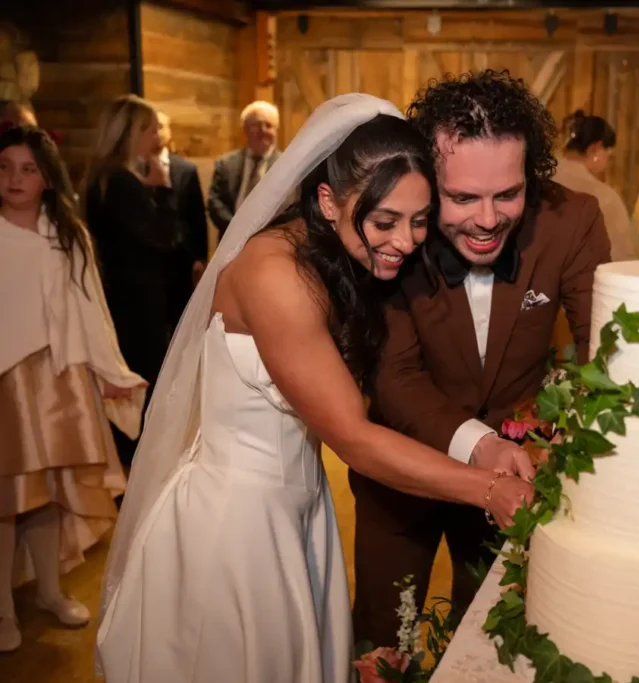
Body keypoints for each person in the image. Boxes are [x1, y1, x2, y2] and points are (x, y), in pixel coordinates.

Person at [95, 94, 533, 683]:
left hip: (297, 504)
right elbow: (352, 435)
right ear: (328, 200)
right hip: (237, 528)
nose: (405, 241)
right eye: (384, 221)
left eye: (419, 219)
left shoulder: (333, 254)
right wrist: (487, 489)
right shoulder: (275, 274)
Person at [351, 70, 612, 647]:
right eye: (463, 198)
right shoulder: (396, 228)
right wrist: (483, 446)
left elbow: (602, 352)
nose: (489, 220)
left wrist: (558, 435)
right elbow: (393, 375)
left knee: (487, 642)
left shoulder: (574, 222)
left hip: (515, 477)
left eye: (508, 194)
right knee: (384, 642)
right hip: (402, 477)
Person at [0, 125, 145, 652]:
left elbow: (91, 311)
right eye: (5, 166)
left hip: (59, 381)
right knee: (7, 499)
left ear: (46, 178)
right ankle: (1, 610)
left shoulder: (68, 234)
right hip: (7, 386)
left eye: (28, 168)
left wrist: (109, 372)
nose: (15, 178)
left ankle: (48, 589)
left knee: (47, 496)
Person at [81, 94, 178, 469]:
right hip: (138, 304)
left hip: (120, 298)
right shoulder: (122, 183)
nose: (157, 136)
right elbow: (163, 239)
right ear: (131, 133)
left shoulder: (101, 179)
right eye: (150, 128)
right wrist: (163, 189)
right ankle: (141, 471)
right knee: (144, 385)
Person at [553, 110, 635, 261]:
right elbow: (621, 258)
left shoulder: (536, 176)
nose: (607, 163)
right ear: (596, 148)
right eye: (608, 156)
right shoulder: (604, 197)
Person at [155, 110, 208, 332]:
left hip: (181, 257)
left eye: (161, 127)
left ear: (168, 132)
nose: (157, 133)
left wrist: (200, 256)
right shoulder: (134, 169)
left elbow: (196, 214)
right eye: (152, 128)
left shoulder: (185, 169)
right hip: (153, 259)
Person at [207, 100, 282, 238]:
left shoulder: (287, 166)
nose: (263, 130)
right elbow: (215, 203)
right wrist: (237, 231)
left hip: (270, 243)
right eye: (257, 125)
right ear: (245, 129)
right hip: (230, 241)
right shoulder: (226, 164)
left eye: (269, 125)